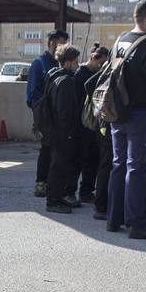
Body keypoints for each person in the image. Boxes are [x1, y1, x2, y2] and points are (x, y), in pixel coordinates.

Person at [106, 0, 146, 240]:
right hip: (141, 116)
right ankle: (137, 222)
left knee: (119, 165)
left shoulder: (121, 41)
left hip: (117, 113)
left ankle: (114, 218)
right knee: (137, 168)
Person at [39, 44, 85, 214]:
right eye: (75, 62)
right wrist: (69, 133)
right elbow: (64, 111)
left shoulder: (53, 76)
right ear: (68, 63)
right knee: (59, 167)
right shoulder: (65, 81)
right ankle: (53, 200)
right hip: (62, 133)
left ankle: (57, 198)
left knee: (57, 166)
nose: (77, 65)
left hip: (53, 131)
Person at [28, 29, 69, 198]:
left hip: (60, 115)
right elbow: (32, 93)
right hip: (46, 115)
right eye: (62, 43)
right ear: (52, 43)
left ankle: (55, 184)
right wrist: (43, 110)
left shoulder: (62, 64)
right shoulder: (40, 64)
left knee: (59, 151)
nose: (64, 47)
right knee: (46, 149)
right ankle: (41, 183)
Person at [82, 45, 114, 219]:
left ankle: (101, 203)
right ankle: (101, 205)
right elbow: (88, 85)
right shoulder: (111, 69)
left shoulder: (108, 69)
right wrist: (100, 105)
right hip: (106, 123)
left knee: (104, 163)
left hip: (104, 122)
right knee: (106, 163)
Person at [73, 45, 108, 203]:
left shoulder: (95, 73)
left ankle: (87, 190)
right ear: (94, 58)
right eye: (101, 63)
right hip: (84, 122)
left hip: (94, 122)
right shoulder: (81, 74)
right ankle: (82, 191)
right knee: (84, 159)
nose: (102, 67)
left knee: (94, 158)